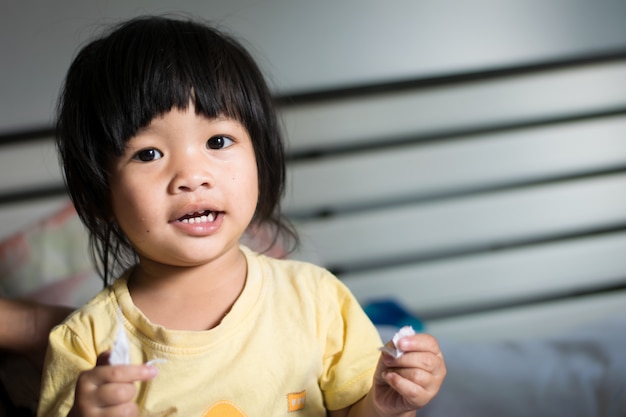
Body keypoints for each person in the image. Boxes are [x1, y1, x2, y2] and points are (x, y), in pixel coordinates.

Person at [37, 15, 446, 417]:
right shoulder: (85, 345)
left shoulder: (317, 300)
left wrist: (387, 404)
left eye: (218, 140)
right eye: (148, 153)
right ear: (98, 197)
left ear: (260, 158)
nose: (192, 176)